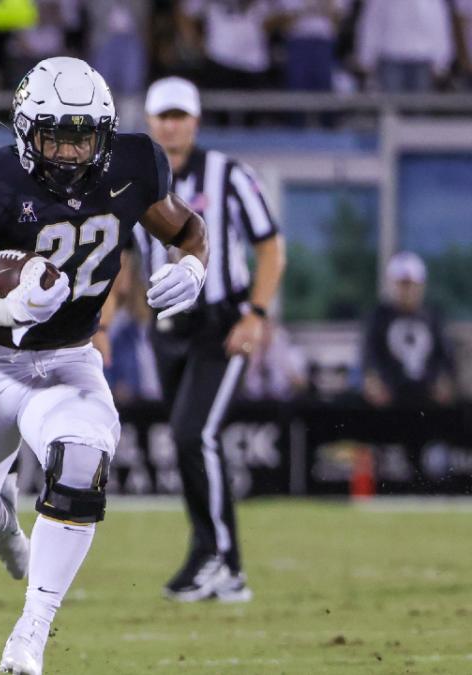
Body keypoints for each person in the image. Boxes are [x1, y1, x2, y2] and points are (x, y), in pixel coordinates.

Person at [0, 57, 209, 675]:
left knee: (83, 460)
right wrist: (3, 304)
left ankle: (31, 636)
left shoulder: (135, 163)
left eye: (84, 134)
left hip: (69, 361)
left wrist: (193, 265)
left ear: (104, 133)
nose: (71, 150)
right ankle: (2, 518)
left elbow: (186, 227)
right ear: (26, 133)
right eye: (55, 134)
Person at [134, 76, 285, 603]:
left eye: (180, 115)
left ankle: (225, 562)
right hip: (166, 328)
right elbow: (126, 262)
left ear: (195, 121)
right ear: (149, 121)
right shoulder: (136, 180)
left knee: (193, 433)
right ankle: (207, 554)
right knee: (188, 440)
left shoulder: (229, 175)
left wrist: (256, 315)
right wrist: (112, 324)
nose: (171, 125)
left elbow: (271, 248)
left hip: (221, 323)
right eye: (163, 116)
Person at [360, 251, 456, 407]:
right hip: (389, 394)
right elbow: (369, 355)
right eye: (402, 284)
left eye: (411, 284)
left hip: (427, 395)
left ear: (421, 286)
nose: (407, 291)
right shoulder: (379, 317)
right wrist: (373, 380)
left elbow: (445, 355)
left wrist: (444, 380)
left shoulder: (433, 316)